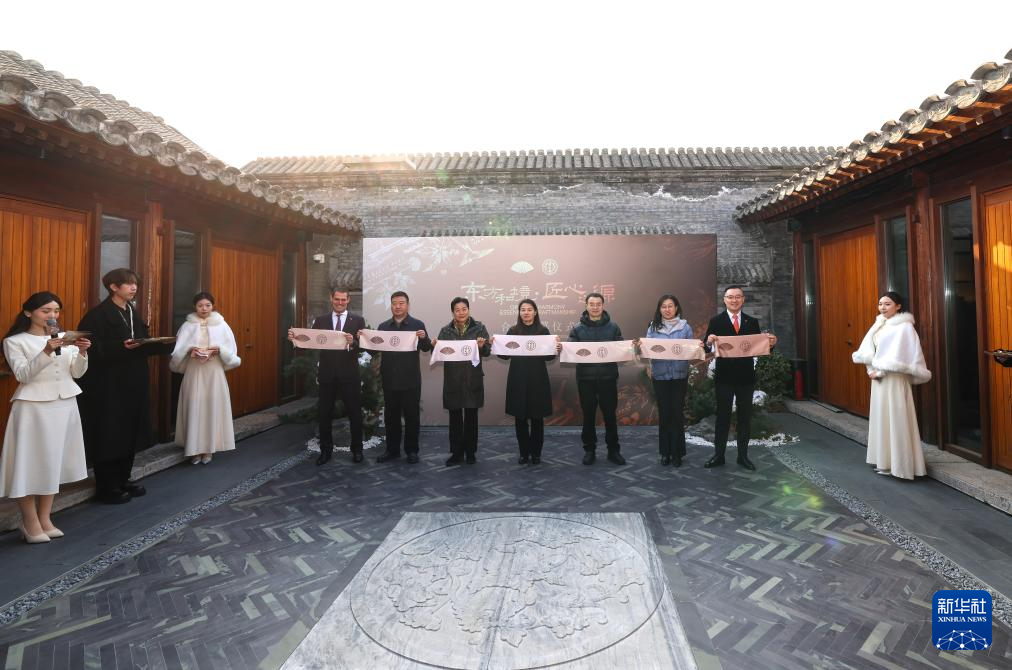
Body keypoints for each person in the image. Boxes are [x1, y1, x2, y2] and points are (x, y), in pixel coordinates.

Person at [1, 292, 90, 542]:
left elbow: (77, 373)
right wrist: (46, 351)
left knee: (53, 461)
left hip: (65, 404)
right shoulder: (15, 341)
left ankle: (45, 519)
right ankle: (30, 523)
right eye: (46, 310)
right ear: (28, 312)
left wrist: (82, 353)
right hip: (33, 408)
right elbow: (22, 375)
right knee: (28, 464)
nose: (52, 315)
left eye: (56, 311)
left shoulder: (65, 337)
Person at [77, 268, 165, 504]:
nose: (133, 287)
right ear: (113, 287)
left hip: (133, 382)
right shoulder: (97, 315)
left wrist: (159, 344)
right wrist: (119, 347)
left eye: (135, 283)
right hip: (108, 385)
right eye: (128, 284)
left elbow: (140, 340)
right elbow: (87, 349)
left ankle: (123, 479)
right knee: (110, 432)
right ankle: (106, 486)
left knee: (130, 430)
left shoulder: (131, 311)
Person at [852, 292, 931, 480]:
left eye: (887, 304)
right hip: (878, 380)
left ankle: (901, 466)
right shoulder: (879, 324)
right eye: (880, 303)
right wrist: (871, 369)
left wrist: (880, 371)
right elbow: (868, 349)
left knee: (897, 419)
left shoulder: (904, 327)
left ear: (898, 306)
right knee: (882, 419)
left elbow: (901, 355)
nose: (882, 307)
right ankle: (885, 462)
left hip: (894, 379)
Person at [288, 288, 366, 466]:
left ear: (348, 300)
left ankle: (357, 450)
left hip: (349, 374)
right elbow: (310, 342)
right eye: (337, 299)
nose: (340, 303)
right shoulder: (321, 320)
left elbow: (363, 345)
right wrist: (294, 338)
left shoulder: (358, 320)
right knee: (324, 414)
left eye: (343, 300)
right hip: (327, 374)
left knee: (355, 414)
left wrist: (353, 342)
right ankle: (325, 451)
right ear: (331, 299)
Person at [703, 285, 777, 471]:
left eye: (738, 297)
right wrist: (709, 342)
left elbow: (759, 348)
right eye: (730, 297)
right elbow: (706, 348)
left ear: (743, 299)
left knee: (745, 418)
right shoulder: (716, 321)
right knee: (723, 418)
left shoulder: (752, 322)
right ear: (725, 300)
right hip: (724, 378)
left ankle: (743, 456)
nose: (734, 300)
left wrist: (771, 344)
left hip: (746, 378)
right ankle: (718, 455)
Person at [169, 292, 241, 465]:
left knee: (212, 406)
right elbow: (178, 350)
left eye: (208, 305)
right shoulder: (187, 325)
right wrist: (189, 350)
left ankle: (209, 449)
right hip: (194, 370)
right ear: (195, 306)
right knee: (193, 405)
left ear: (213, 306)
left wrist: (218, 350)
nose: (204, 308)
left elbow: (231, 350)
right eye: (200, 305)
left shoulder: (222, 324)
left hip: (214, 370)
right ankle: (194, 449)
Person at [372, 291, 431, 464]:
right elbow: (374, 349)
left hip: (411, 380)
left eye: (401, 303)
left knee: (412, 417)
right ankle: (392, 450)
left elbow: (426, 348)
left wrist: (424, 338)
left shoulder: (417, 325)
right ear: (391, 305)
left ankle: (412, 451)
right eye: (394, 303)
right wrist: (363, 339)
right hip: (389, 379)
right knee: (391, 418)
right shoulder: (383, 327)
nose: (397, 306)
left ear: (407, 305)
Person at [567, 292, 625, 465]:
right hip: (586, 379)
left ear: (603, 306)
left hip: (608, 378)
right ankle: (589, 450)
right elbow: (570, 350)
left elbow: (621, 348)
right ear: (586, 306)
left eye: (598, 304)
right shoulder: (577, 329)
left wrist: (630, 348)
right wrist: (563, 348)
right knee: (588, 416)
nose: (595, 307)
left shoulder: (613, 327)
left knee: (610, 416)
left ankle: (613, 451)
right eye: (591, 304)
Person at [495, 299, 555, 465]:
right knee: (520, 419)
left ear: (535, 312)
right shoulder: (513, 331)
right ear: (519, 312)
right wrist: (497, 346)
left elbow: (549, 357)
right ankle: (523, 453)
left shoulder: (543, 331)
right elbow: (505, 355)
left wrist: (555, 348)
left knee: (537, 419)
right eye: (523, 309)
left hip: (538, 379)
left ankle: (536, 453)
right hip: (518, 379)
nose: (526, 312)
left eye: (529, 309)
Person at [432, 297, 490, 466]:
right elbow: (440, 353)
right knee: (455, 418)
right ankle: (456, 453)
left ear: (468, 310)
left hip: (472, 379)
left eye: (464, 309)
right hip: (453, 379)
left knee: (471, 418)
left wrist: (482, 347)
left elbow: (487, 351)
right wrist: (435, 346)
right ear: (453, 312)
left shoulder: (479, 328)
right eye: (457, 310)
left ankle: (470, 453)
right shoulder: (445, 331)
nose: (461, 312)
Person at [641, 294, 693, 467]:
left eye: (670, 306)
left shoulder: (685, 327)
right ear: (659, 309)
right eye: (664, 306)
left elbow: (691, 350)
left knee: (677, 414)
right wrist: (643, 352)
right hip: (660, 375)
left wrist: (697, 348)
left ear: (676, 308)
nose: (667, 309)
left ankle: (678, 453)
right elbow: (648, 351)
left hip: (679, 375)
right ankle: (665, 453)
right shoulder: (653, 327)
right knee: (664, 414)